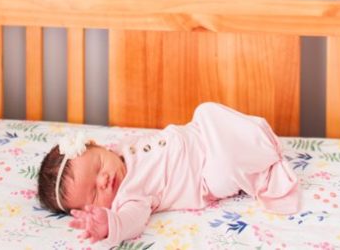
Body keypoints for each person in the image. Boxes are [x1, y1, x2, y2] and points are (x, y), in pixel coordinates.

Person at [37, 102, 301, 244]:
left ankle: (255, 137)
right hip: (204, 175)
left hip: (200, 136)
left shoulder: (120, 148)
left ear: (98, 146)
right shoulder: (130, 197)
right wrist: (109, 224)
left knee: (206, 110)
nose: (104, 180)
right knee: (224, 170)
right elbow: (132, 221)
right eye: (94, 193)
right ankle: (264, 152)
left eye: (97, 168)